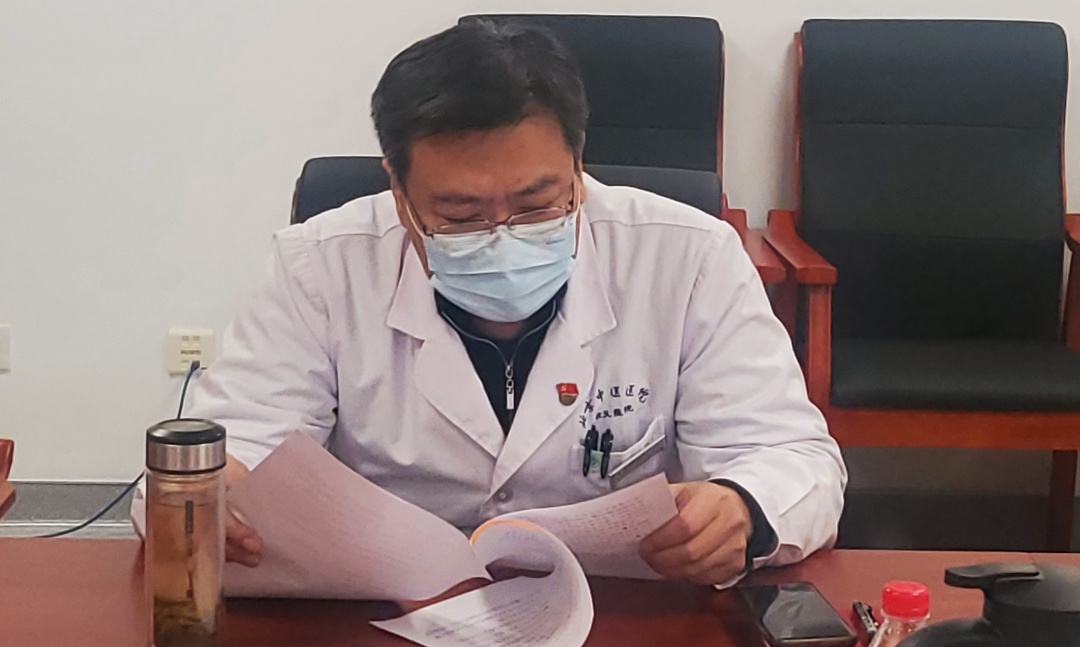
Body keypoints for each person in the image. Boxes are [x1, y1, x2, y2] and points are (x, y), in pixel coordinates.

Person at [140, 19, 846, 589]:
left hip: (626, 616)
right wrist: (203, 496)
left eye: (537, 205)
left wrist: (745, 508)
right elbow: (227, 450)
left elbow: (792, 457)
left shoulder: (689, 257)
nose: (502, 236)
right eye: (461, 214)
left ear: (578, 166)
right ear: (398, 190)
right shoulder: (319, 266)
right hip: (384, 615)